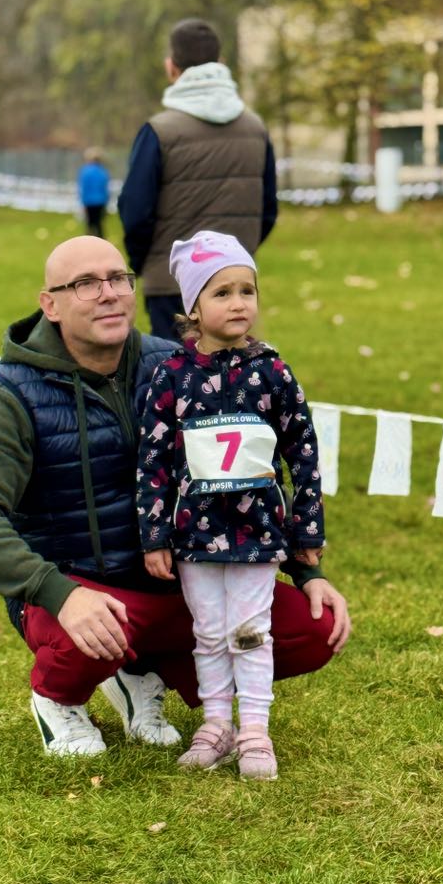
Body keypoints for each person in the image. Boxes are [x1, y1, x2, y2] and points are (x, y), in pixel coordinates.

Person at [0, 235, 350, 761]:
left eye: (118, 279)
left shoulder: (181, 368)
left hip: (180, 578)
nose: (108, 293)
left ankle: (140, 671)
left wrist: (307, 571)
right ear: (50, 304)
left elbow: (256, 468)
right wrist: (57, 592)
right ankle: (58, 699)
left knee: (313, 630)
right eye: (85, 284)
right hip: (79, 587)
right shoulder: (14, 393)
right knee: (88, 630)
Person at [137, 231, 325, 781]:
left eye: (248, 290)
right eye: (223, 293)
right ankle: (216, 723)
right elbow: (153, 462)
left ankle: (255, 730)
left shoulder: (274, 371)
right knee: (209, 631)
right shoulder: (171, 376)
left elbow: (304, 452)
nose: (239, 302)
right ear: (193, 307)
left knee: (250, 628)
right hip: (195, 535)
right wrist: (154, 535)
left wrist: (307, 527)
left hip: (260, 531)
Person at [118, 18, 278, 341]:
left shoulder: (159, 131)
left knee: (175, 382)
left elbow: (135, 211)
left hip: (170, 284)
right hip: (234, 285)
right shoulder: (256, 129)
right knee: (237, 380)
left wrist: (147, 263)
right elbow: (268, 209)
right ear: (221, 65)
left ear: (171, 68)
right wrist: (236, 258)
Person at [77, 148, 110, 238]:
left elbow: (83, 188)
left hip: (88, 202)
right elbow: (105, 188)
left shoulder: (85, 171)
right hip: (100, 201)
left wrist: (82, 202)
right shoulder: (103, 171)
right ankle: (102, 243)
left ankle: (87, 244)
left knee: (89, 224)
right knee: (99, 224)